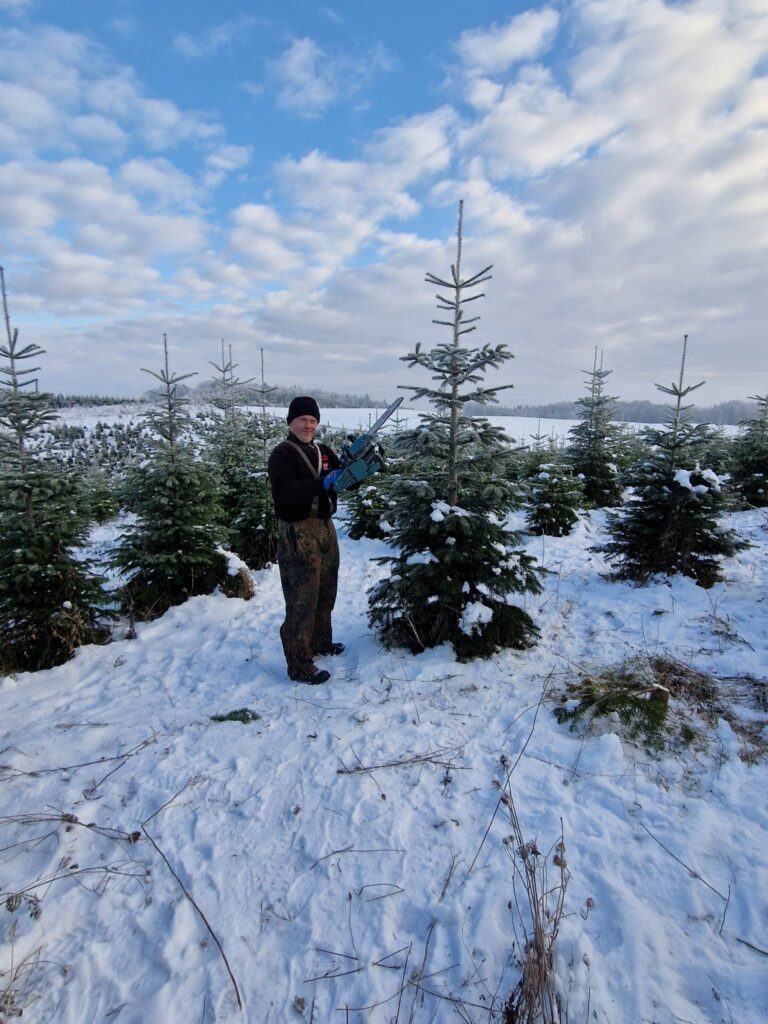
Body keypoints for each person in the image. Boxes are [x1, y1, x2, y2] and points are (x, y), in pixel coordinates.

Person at [267, 397, 345, 685]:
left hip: (325, 528)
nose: (308, 425)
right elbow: (285, 492)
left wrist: (358, 468)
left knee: (326, 590)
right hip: (298, 533)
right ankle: (299, 664)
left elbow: (345, 479)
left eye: (313, 420)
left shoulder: (324, 452)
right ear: (291, 422)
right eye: (302, 419)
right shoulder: (283, 454)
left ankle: (321, 642)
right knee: (302, 598)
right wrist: (321, 484)